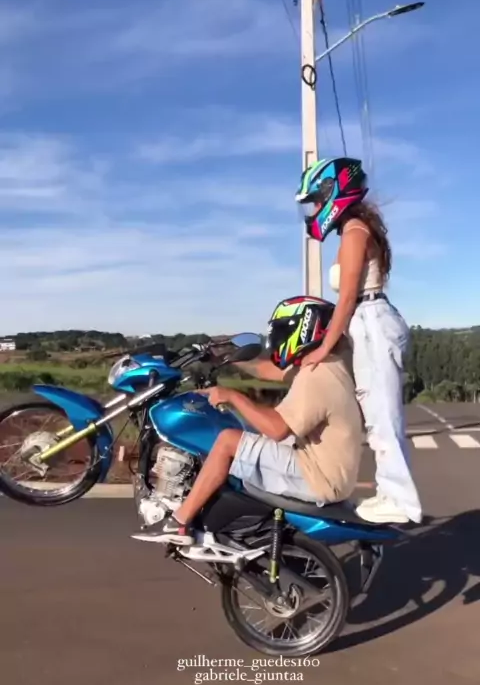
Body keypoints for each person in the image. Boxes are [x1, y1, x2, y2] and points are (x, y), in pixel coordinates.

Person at [133, 296, 363, 545]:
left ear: (304, 327)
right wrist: (226, 357)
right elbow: (269, 371)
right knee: (249, 434)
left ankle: (179, 523)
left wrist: (232, 396)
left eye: (283, 330)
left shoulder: (317, 375)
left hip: (319, 477)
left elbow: (277, 429)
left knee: (228, 441)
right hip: (327, 469)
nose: (278, 339)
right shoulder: (328, 364)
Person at [295, 157, 422, 525]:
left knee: (382, 414)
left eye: (317, 200)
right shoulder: (356, 229)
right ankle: (390, 492)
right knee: (376, 413)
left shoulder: (354, 233)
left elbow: (348, 297)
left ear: (334, 193)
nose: (315, 209)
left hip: (370, 320)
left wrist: (324, 347)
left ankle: (400, 500)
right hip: (368, 322)